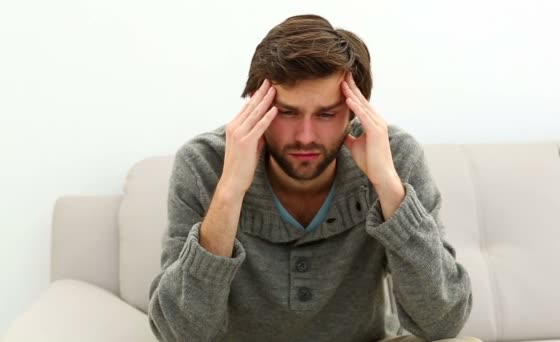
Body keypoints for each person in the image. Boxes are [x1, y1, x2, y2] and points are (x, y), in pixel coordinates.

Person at [148, 14, 475, 342]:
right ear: (256, 106)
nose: (305, 136)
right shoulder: (204, 163)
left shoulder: (393, 155)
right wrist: (229, 191)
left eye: (327, 114)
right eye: (288, 112)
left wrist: (388, 186)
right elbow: (179, 334)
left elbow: (442, 322)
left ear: (354, 111)